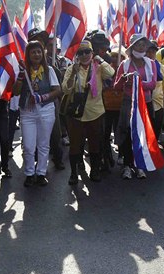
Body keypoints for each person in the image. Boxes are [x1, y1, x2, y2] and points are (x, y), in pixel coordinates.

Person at [62, 40, 115, 185]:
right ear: (77, 55)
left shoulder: (98, 67)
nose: (84, 55)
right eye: (80, 52)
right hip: (77, 114)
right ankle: (73, 173)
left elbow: (111, 73)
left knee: (95, 143)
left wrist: (101, 60)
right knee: (75, 144)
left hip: (95, 112)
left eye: (87, 52)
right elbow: (65, 89)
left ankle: (95, 170)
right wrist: (73, 74)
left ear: (92, 53)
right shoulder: (72, 68)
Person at [13, 40, 62, 187]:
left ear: (43, 53)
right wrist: (21, 77)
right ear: (28, 54)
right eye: (33, 52)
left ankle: (41, 172)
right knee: (28, 146)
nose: (36, 54)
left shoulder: (49, 71)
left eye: (39, 51)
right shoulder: (23, 71)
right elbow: (15, 92)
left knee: (43, 144)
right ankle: (29, 173)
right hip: (27, 113)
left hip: (46, 111)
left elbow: (58, 90)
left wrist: (42, 97)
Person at [114, 34, 157, 180]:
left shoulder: (151, 64)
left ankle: (140, 165)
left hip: (145, 103)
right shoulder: (124, 65)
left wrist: (137, 83)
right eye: (138, 44)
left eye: (144, 45)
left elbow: (152, 84)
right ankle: (127, 165)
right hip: (129, 102)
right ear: (132, 48)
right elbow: (116, 86)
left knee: (143, 134)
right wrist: (125, 79)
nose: (142, 47)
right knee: (127, 133)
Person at [146, 40, 164, 142]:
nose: (150, 54)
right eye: (148, 52)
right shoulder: (140, 66)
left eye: (153, 52)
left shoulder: (160, 66)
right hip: (144, 103)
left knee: (156, 129)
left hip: (157, 104)